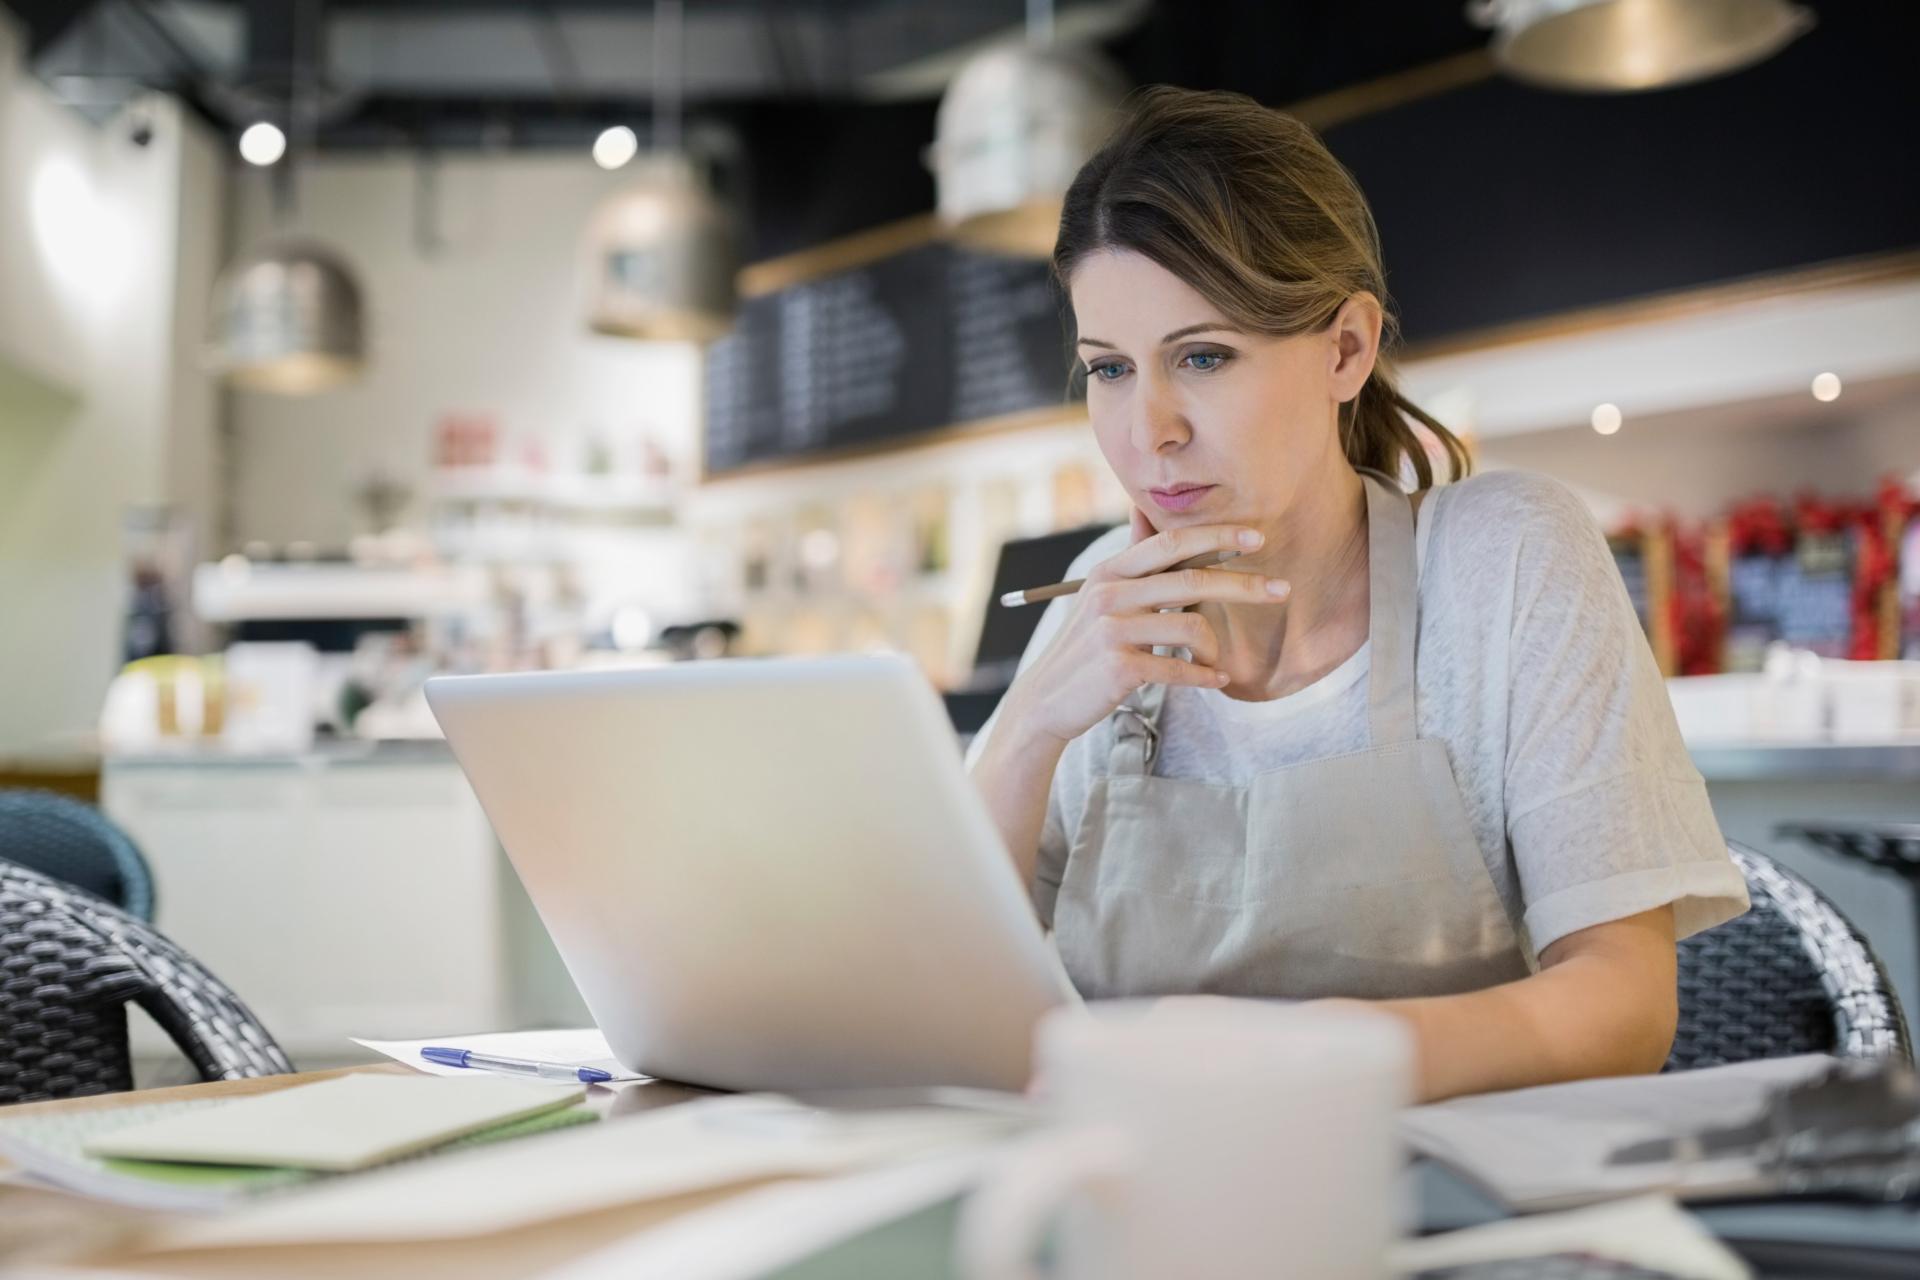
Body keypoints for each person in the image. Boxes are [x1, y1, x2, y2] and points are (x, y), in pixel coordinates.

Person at [966, 86, 1748, 1103]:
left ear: (1347, 348)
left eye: (1202, 356)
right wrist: (1028, 729)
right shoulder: (1092, 616)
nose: (1147, 427)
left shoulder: (1505, 561)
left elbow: (1627, 1004)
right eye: (1108, 369)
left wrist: (1316, 1058)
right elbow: (940, 995)